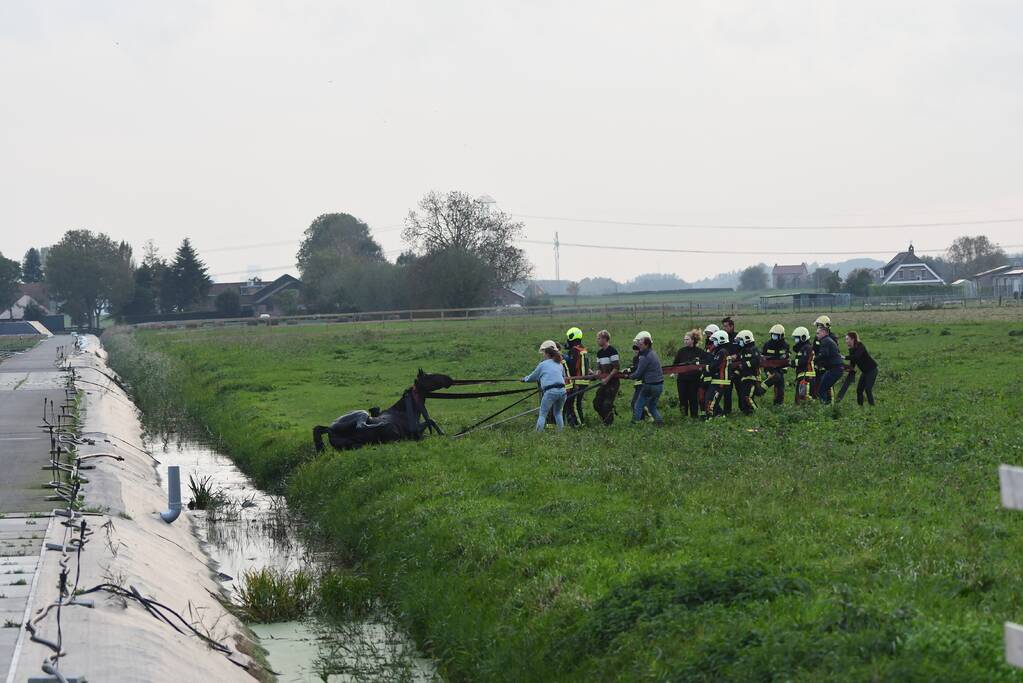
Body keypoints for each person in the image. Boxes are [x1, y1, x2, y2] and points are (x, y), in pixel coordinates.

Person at [522, 342, 568, 432]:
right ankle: (561, 432)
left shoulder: (543, 364)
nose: (543, 355)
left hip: (550, 391)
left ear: (547, 354)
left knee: (542, 414)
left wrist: (524, 379)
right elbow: (563, 376)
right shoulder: (559, 364)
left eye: (543, 353)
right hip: (562, 391)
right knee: (558, 413)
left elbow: (533, 377)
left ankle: (538, 434)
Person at [627, 331, 664, 424]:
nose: (639, 345)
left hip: (649, 385)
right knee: (652, 407)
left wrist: (628, 376)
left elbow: (638, 374)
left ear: (646, 344)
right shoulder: (653, 353)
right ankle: (659, 422)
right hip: (659, 385)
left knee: (638, 405)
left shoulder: (644, 357)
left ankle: (635, 423)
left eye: (640, 344)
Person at [562, 327, 591, 426]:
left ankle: (580, 424)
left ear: (571, 337)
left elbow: (574, 367)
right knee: (574, 403)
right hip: (583, 381)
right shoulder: (583, 349)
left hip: (578, 381)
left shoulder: (575, 351)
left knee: (574, 404)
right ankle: (573, 423)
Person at [590, 329, 620, 425]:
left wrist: (607, 378)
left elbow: (616, 368)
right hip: (604, 381)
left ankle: (608, 423)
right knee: (596, 403)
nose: (597, 340)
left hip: (613, 382)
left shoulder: (612, 351)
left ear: (605, 339)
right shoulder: (599, 353)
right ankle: (605, 419)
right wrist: (596, 373)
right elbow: (599, 368)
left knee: (607, 404)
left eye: (599, 338)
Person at [672, 328, 703, 418]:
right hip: (682, 380)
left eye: (687, 339)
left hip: (694, 380)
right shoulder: (681, 351)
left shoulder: (700, 352)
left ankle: (694, 416)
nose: (685, 341)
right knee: (683, 398)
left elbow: (703, 364)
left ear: (693, 340)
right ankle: (684, 416)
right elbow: (675, 363)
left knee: (693, 398)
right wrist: (673, 372)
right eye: (684, 339)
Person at [702, 329, 732, 417]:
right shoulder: (722, 351)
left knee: (710, 400)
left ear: (720, 340)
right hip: (719, 380)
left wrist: (704, 367)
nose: (713, 342)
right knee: (712, 399)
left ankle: (709, 418)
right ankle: (720, 415)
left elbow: (714, 366)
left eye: (715, 340)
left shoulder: (721, 352)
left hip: (720, 381)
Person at [843, 331, 878, 406]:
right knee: (859, 390)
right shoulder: (851, 350)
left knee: (868, 389)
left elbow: (856, 357)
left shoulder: (860, 346)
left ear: (852, 339)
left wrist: (844, 357)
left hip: (872, 370)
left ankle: (872, 407)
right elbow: (853, 363)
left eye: (847, 339)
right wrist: (847, 368)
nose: (846, 341)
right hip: (865, 372)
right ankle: (860, 408)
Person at [733, 330, 762, 414]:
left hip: (752, 378)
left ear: (747, 339)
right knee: (743, 397)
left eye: (740, 340)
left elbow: (756, 361)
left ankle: (757, 412)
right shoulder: (742, 351)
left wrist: (745, 365)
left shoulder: (754, 349)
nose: (739, 343)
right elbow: (739, 365)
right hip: (744, 378)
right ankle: (747, 413)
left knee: (748, 397)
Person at [814, 324, 844, 404]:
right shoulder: (828, 340)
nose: (816, 335)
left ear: (824, 332)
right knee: (825, 388)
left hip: (835, 369)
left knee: (821, 390)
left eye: (818, 333)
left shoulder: (825, 341)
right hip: (836, 369)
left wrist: (813, 359)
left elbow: (823, 354)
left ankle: (824, 409)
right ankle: (828, 406)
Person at [761, 324, 790, 405]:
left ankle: (778, 404)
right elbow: (763, 357)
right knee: (776, 377)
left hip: (780, 369)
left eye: (776, 335)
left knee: (780, 387)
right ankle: (760, 390)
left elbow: (787, 357)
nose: (774, 336)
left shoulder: (785, 345)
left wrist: (784, 369)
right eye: (773, 334)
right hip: (769, 368)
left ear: (781, 335)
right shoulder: (767, 345)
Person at [811, 315, 838, 397]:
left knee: (828, 386)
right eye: (818, 326)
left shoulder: (832, 338)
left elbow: (833, 353)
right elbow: (814, 349)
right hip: (818, 365)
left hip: (828, 366)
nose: (818, 328)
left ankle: (830, 403)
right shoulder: (817, 337)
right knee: (817, 384)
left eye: (820, 325)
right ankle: (819, 401)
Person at [628, 330, 653, 420]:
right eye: (635, 348)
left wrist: (630, 372)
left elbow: (639, 370)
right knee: (638, 403)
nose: (636, 350)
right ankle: (643, 419)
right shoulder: (637, 358)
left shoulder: (648, 356)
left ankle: (642, 419)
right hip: (639, 384)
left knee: (636, 403)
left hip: (646, 383)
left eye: (638, 347)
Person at [791, 326, 815, 404]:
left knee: (804, 397)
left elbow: (803, 361)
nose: (795, 340)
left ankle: (814, 408)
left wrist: (792, 363)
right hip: (803, 376)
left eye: (797, 338)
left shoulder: (807, 348)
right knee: (799, 398)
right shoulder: (803, 348)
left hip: (806, 376)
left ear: (803, 337)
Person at [720, 317, 738, 414]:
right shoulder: (722, 337)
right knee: (727, 390)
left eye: (726, 326)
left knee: (741, 390)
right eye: (723, 326)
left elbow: (744, 349)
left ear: (732, 326)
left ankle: (745, 408)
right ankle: (727, 411)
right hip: (726, 368)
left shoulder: (738, 336)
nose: (724, 328)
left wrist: (737, 356)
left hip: (738, 368)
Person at [699, 324, 719, 409]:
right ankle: (706, 412)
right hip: (706, 373)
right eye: (706, 334)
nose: (708, 336)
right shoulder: (708, 343)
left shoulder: (717, 346)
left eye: (709, 334)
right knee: (703, 395)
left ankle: (717, 412)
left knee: (710, 396)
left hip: (713, 374)